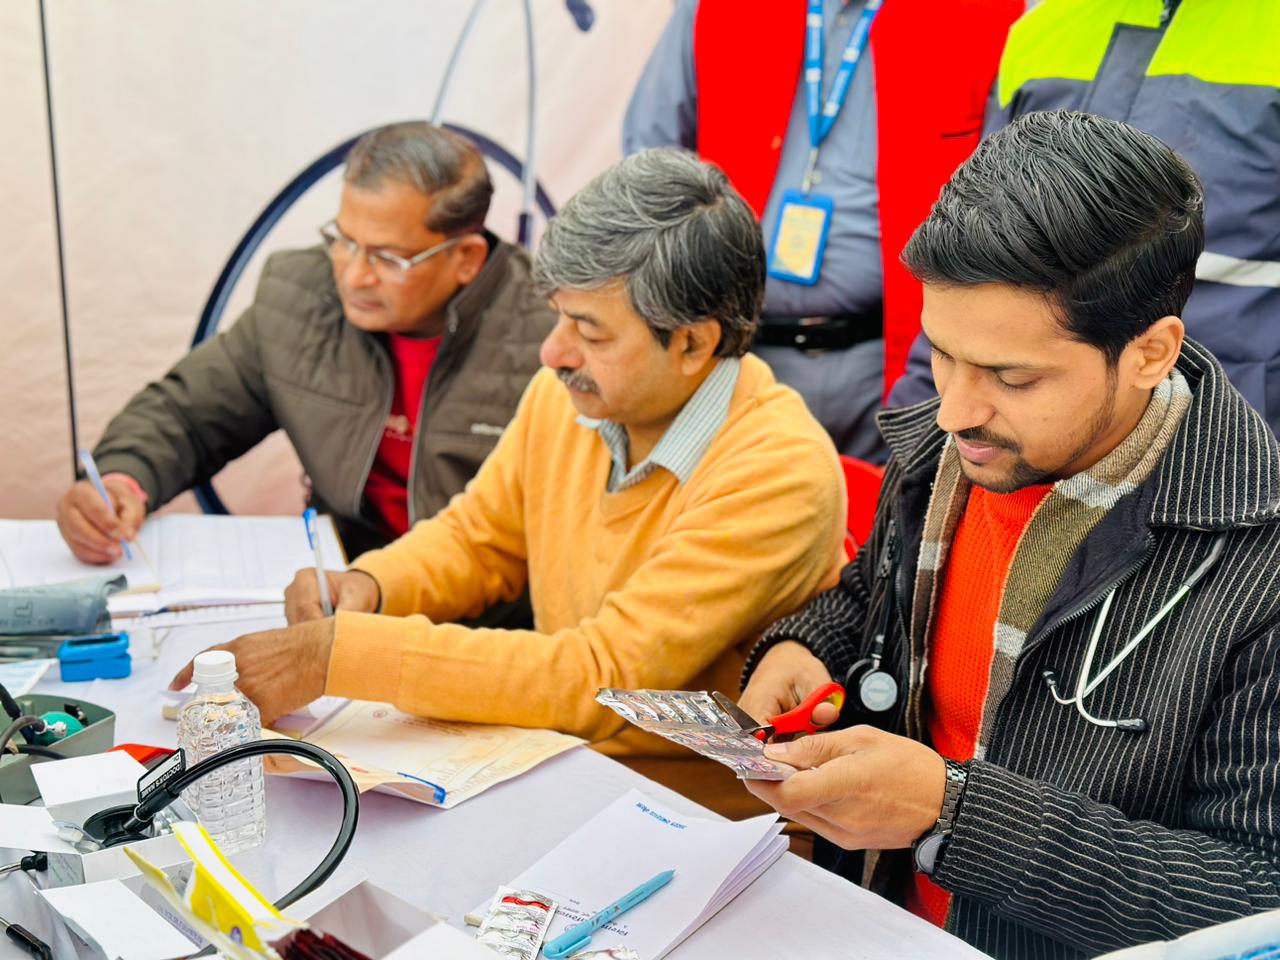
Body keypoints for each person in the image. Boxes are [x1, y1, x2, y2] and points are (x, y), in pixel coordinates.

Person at [738, 112, 1280, 958]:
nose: (955, 409)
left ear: (1150, 352)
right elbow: (874, 598)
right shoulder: (941, 457)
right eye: (940, 353)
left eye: (1012, 376)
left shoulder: (1258, 565)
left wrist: (949, 811)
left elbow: (1254, 904)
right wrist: (807, 645)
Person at [172, 148, 847, 818]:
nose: (553, 352)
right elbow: (480, 539)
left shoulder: (777, 472)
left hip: (699, 823)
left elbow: (599, 677)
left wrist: (336, 654)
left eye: (588, 331)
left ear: (695, 345)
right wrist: (374, 585)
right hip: (561, 768)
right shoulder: (574, 398)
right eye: (558, 317)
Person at [55, 122, 553, 564]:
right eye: (345, 240)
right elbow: (186, 416)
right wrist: (122, 480)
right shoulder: (301, 297)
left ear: (465, 258)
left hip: (491, 619)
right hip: (343, 584)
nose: (355, 276)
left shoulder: (550, 339)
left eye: (389, 258)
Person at [623, 0, 1023, 459]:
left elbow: (1008, 196)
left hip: (899, 370)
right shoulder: (711, 9)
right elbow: (650, 164)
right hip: (733, 359)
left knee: (882, 523)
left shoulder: (990, 14)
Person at [890, 0, 1280, 438]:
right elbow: (974, 251)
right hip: (1037, 427)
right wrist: (919, 428)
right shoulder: (1043, 28)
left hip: (1234, 425)